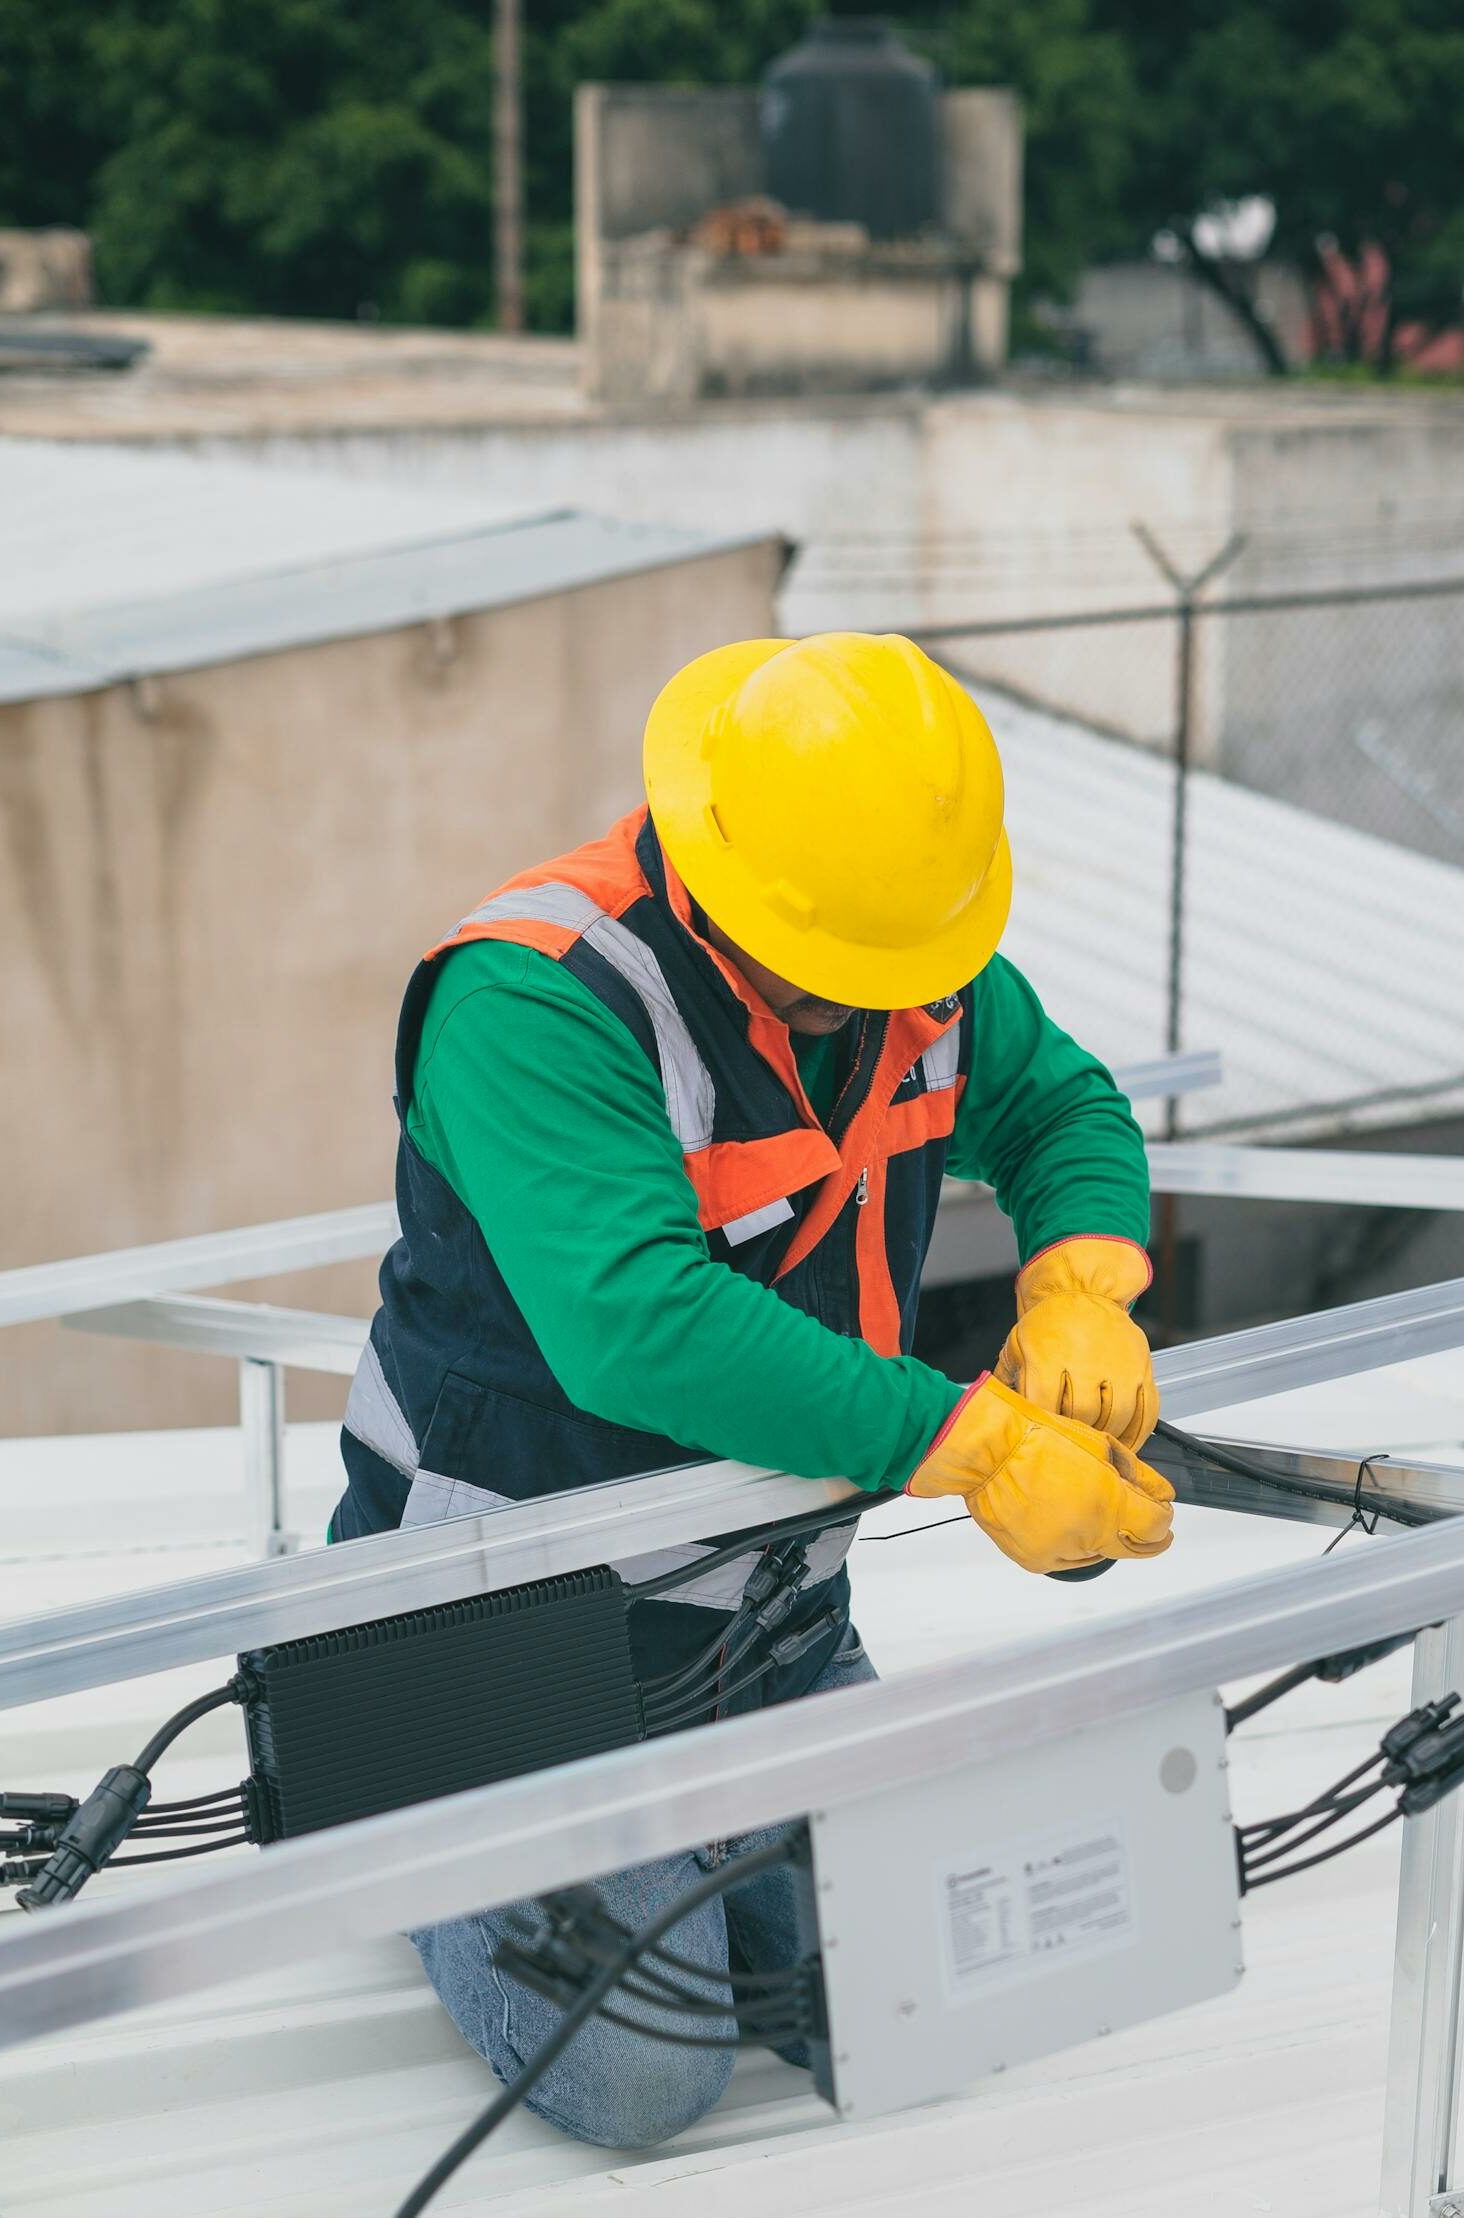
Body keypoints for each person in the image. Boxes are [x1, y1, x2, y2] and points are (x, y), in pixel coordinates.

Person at [330, 632, 1173, 2148]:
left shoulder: (899, 952)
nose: (891, 1006)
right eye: (853, 973)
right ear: (729, 870)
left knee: (921, 1991)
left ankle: (690, 1830)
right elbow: (636, 1326)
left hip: (762, 1620)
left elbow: (1060, 1101)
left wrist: (1083, 1277)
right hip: (506, 1634)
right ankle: (398, 1805)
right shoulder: (537, 1000)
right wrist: (970, 1443)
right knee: (645, 2079)